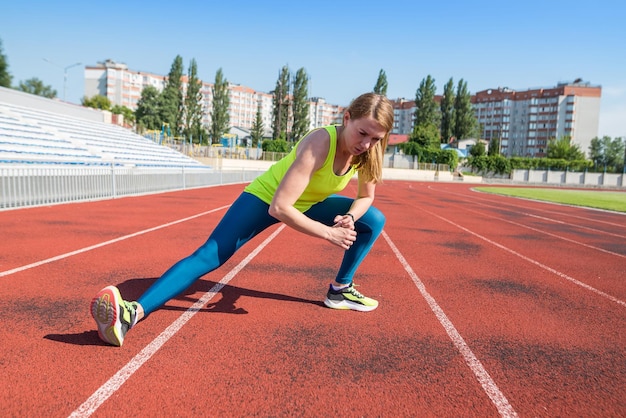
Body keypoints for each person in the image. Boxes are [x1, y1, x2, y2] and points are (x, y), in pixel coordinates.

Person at [91, 92, 394, 347]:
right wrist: (329, 235)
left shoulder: (367, 153)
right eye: (362, 133)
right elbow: (280, 208)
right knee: (210, 255)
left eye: (375, 138)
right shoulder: (320, 143)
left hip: (310, 203)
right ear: (346, 119)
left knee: (372, 219)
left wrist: (349, 217)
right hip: (266, 198)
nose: (366, 143)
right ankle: (132, 312)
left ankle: (339, 290)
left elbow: (366, 197)